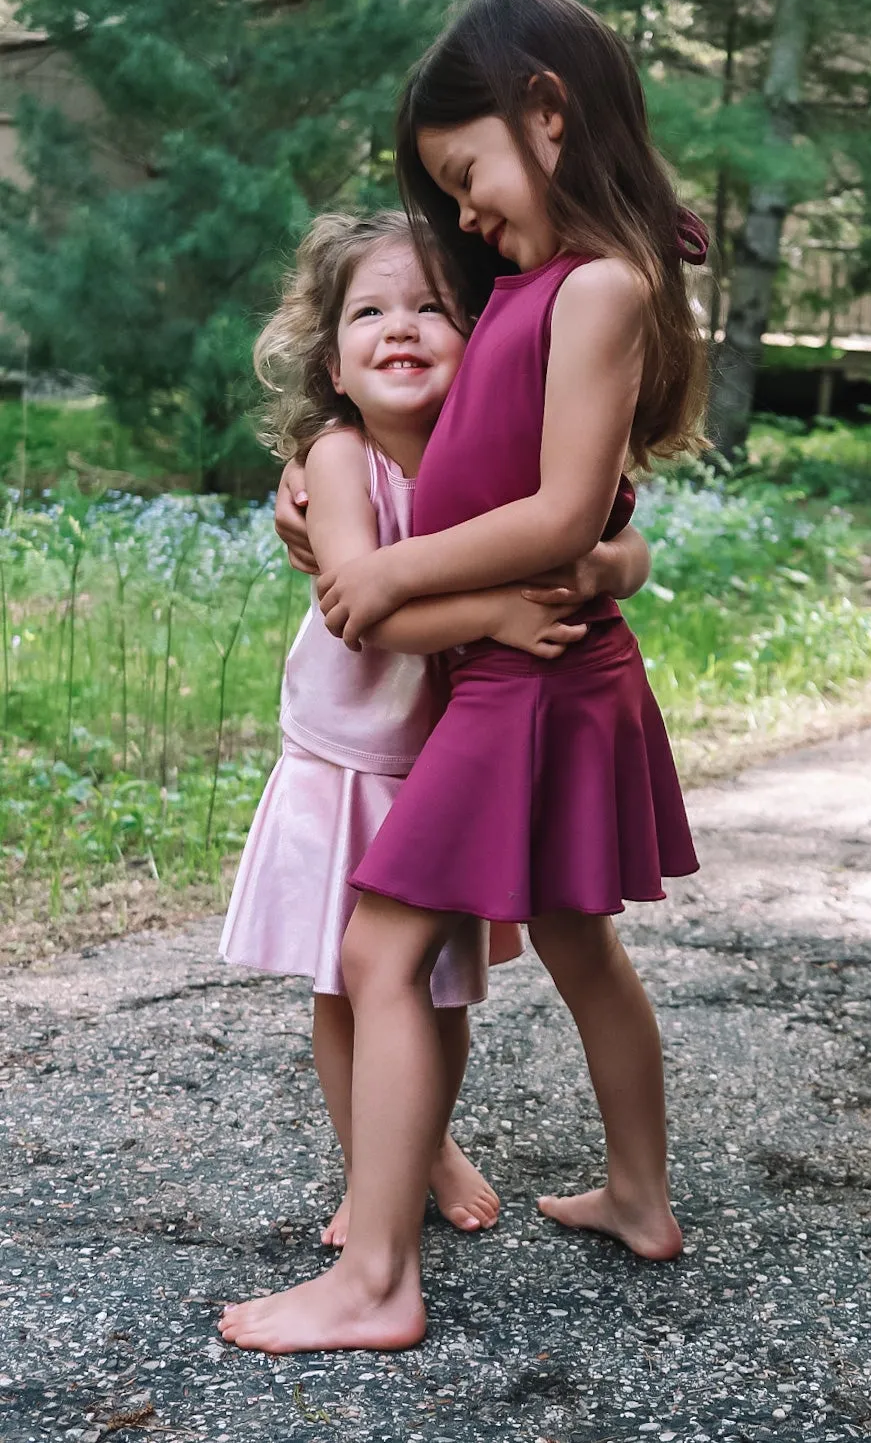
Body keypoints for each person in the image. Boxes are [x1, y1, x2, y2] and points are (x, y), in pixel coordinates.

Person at [220, 0, 708, 1354]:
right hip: (540, 673)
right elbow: (488, 471)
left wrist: (387, 573)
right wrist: (313, 481)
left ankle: (376, 1274)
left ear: (546, 113)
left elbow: (563, 513)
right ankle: (635, 1192)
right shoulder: (537, 285)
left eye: (467, 175)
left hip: (529, 687)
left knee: (381, 946)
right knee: (570, 937)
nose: (468, 212)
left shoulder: (598, 284)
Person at [220, 208, 650, 1249]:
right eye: (369, 312)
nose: (400, 328)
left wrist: (600, 566)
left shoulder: (496, 461)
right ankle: (379, 1174)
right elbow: (361, 613)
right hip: (346, 761)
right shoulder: (336, 458)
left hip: (443, 765)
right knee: (346, 987)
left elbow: (623, 537)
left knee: (438, 990)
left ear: (484, 342)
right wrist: (498, 614)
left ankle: (421, 1142)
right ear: (331, 360)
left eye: (431, 308)